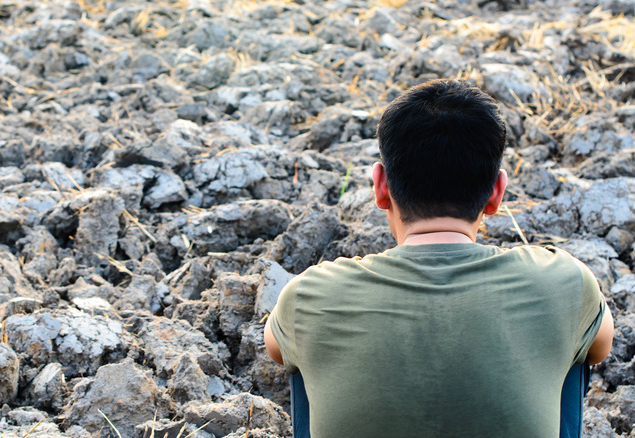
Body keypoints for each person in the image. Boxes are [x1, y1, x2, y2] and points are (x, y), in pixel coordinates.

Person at [263, 79, 614, 438]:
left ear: (380, 187)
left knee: (305, 354)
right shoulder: (562, 280)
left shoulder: (310, 293)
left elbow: (274, 347)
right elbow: (601, 346)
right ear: (496, 192)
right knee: (573, 343)